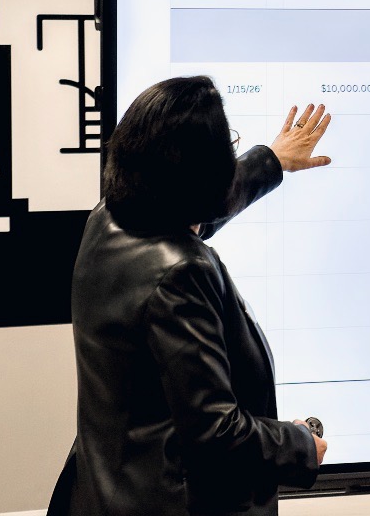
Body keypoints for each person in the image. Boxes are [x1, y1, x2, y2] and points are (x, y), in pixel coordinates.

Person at [47, 75, 334, 516]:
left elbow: (196, 210)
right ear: (201, 175)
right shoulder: (182, 272)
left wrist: (271, 160)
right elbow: (216, 432)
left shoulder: (108, 219)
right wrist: (297, 444)